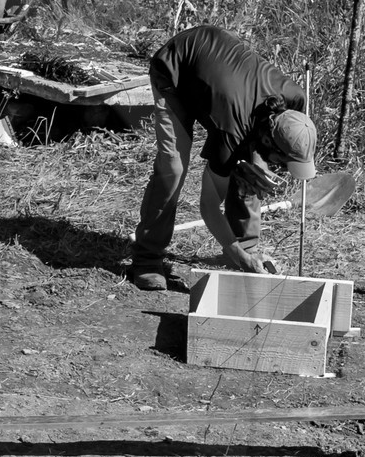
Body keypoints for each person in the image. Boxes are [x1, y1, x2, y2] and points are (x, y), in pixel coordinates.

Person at [129, 24, 318, 291]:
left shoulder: (296, 101)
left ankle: (248, 250)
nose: (282, 168)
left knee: (251, 172)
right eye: (282, 161)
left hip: (221, 67)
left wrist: (258, 164)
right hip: (177, 67)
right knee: (173, 168)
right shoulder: (232, 129)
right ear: (266, 139)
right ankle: (147, 259)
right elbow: (208, 204)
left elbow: (264, 147)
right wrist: (235, 254)